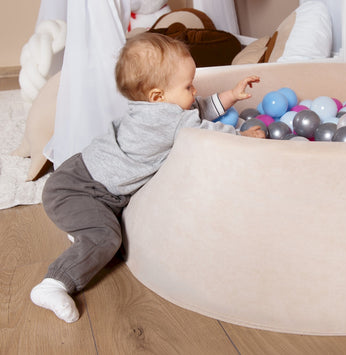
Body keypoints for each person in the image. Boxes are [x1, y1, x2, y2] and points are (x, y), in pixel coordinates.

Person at [30, 32, 265, 323]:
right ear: (158, 97)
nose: (195, 91)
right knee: (106, 237)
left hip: (78, 175)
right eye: (189, 85)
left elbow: (195, 110)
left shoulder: (158, 109)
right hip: (79, 190)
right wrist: (244, 136)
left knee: (102, 230)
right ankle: (54, 284)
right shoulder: (167, 119)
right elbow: (205, 133)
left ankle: (83, 231)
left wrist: (231, 95)